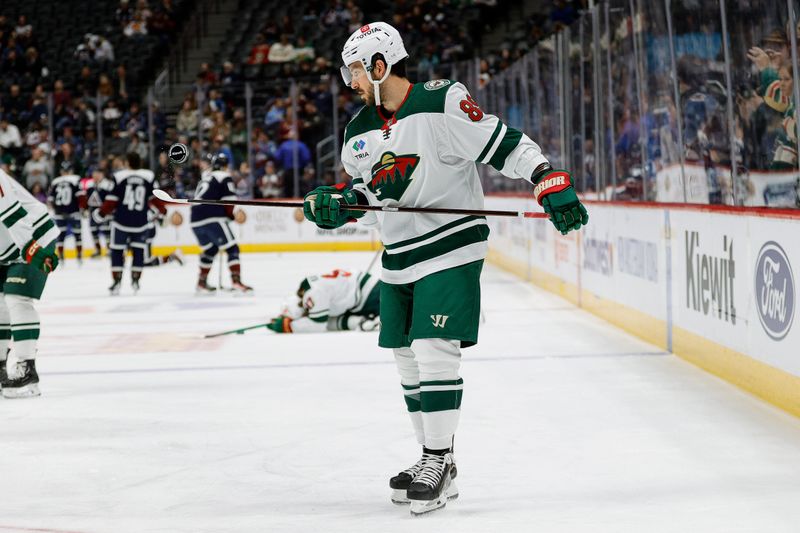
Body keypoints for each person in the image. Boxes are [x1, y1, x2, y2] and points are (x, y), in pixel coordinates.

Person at [302, 22, 588, 515]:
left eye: (354, 69)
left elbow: (505, 143)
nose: (347, 81)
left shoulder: (441, 102)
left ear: (379, 65)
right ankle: (436, 459)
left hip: (450, 246)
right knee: (406, 358)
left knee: (434, 349)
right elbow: (371, 194)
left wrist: (546, 178)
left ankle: (438, 457)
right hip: (398, 256)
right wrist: (341, 205)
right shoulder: (358, 132)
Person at [0, 168, 60, 398]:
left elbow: (10, 211)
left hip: (33, 237)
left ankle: (27, 370)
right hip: (6, 248)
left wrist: (31, 248)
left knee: (16, 297)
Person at [95, 153, 165, 295]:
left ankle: (116, 281)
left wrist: (100, 214)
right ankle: (135, 279)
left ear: (127, 162)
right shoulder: (148, 176)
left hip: (121, 221)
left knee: (117, 251)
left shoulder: (119, 176)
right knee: (138, 252)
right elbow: (154, 198)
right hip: (140, 221)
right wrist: (163, 210)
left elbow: (111, 201)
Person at [190, 152, 252, 294]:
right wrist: (230, 215)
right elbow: (229, 200)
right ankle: (236, 282)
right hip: (213, 217)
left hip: (195, 220)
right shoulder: (224, 176)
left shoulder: (206, 177)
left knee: (211, 249)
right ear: (225, 166)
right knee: (232, 248)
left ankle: (201, 283)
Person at [267, 268, 380, 333]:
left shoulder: (312, 295)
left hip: (371, 296)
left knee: (393, 318)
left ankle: (376, 321)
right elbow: (327, 323)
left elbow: (317, 326)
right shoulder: (308, 288)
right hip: (367, 291)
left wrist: (289, 326)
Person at [47, 162, 87, 263]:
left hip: (59, 212)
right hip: (73, 212)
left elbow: (51, 199)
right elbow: (81, 196)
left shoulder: (55, 181)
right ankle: (79, 255)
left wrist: (55, 209)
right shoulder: (76, 179)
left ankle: (61, 255)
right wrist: (84, 208)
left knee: (60, 236)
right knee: (77, 235)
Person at [86, 169, 115, 258]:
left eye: (98, 174)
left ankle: (109, 249)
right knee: (94, 231)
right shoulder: (90, 185)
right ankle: (98, 250)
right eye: (94, 173)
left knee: (106, 231)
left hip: (104, 212)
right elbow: (87, 197)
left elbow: (110, 198)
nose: (96, 176)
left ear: (102, 174)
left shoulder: (107, 185)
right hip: (92, 211)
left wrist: (109, 210)